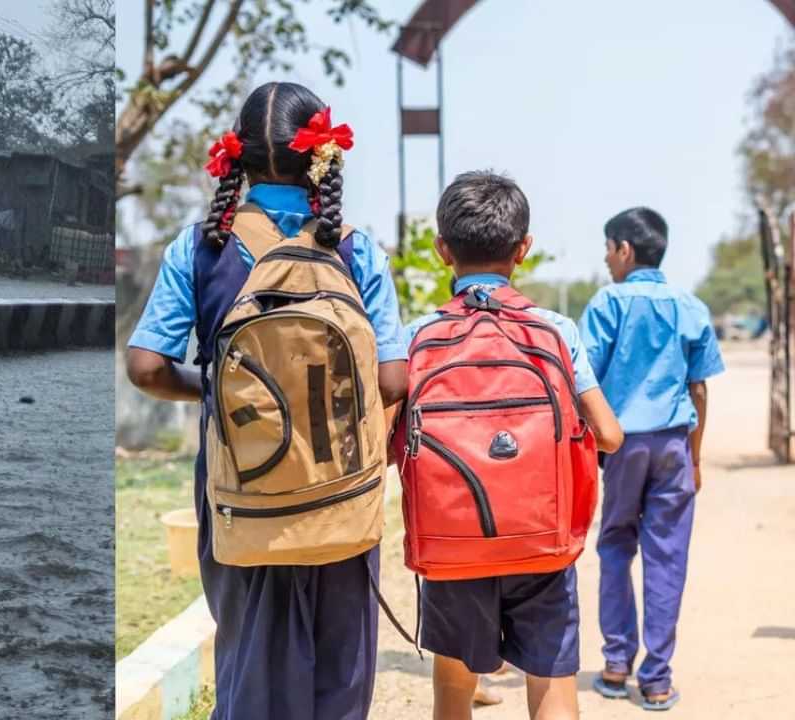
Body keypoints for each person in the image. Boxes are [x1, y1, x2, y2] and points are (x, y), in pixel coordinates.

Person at [125, 82, 409, 719]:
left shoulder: (200, 247)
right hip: (340, 488)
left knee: (249, 661)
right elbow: (393, 383)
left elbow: (145, 367)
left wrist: (215, 393)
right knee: (340, 669)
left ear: (238, 156)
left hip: (238, 491)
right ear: (323, 160)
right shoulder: (355, 249)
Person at [400, 171, 624, 720]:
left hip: (451, 548)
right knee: (551, 687)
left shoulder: (417, 337)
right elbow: (611, 435)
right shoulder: (556, 330)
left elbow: (389, 446)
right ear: (524, 249)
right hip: (541, 543)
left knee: (453, 692)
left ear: (441, 250)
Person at [581, 207, 724, 711]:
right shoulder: (690, 306)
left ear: (626, 250)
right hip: (674, 447)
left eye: (608, 247)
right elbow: (700, 389)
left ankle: (617, 666)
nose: (605, 258)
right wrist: (697, 457)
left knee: (616, 547)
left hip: (622, 446)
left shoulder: (607, 304)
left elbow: (586, 382)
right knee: (668, 557)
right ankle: (657, 679)